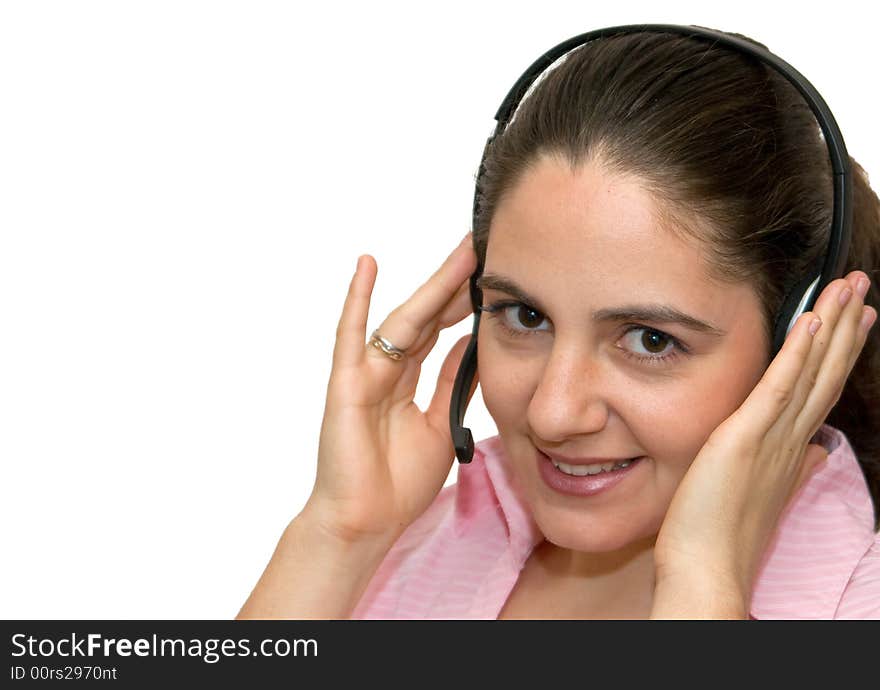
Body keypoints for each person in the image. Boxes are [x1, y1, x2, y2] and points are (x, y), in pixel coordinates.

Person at [236, 27, 880, 619]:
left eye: (650, 340)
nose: (552, 413)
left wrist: (704, 582)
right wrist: (340, 533)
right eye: (526, 315)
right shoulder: (429, 536)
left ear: (801, 341)